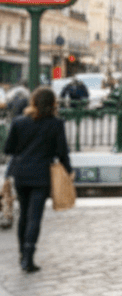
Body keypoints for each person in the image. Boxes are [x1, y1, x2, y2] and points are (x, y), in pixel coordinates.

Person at [3, 86, 71, 272]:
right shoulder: (56, 124)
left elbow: (8, 149)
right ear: (53, 104)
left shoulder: (19, 122)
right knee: (35, 217)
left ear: (33, 101)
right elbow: (62, 152)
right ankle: (28, 257)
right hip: (41, 175)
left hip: (21, 173)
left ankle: (21, 255)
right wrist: (69, 171)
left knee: (23, 214)